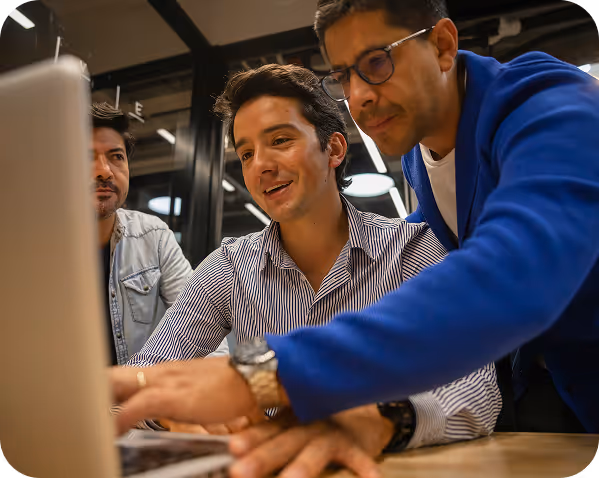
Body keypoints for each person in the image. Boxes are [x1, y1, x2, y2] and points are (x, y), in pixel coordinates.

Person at [111, 0, 599, 471]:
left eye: (376, 62)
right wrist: (171, 413)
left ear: (444, 45)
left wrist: (270, 375)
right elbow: (154, 378)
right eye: (344, 75)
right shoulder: (417, 160)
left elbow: (510, 283)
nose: (360, 95)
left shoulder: (545, 103)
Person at [115, 64, 501, 458]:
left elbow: (477, 387)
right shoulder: (229, 266)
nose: (260, 165)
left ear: (333, 148)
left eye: (279, 140)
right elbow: (144, 378)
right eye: (246, 153)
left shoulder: (409, 250)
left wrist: (385, 421)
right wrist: (171, 414)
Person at [91, 103, 228, 365]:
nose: (105, 171)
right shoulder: (31, 249)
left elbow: (202, 324)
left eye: (116, 156)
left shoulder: (153, 236)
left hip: (140, 399)